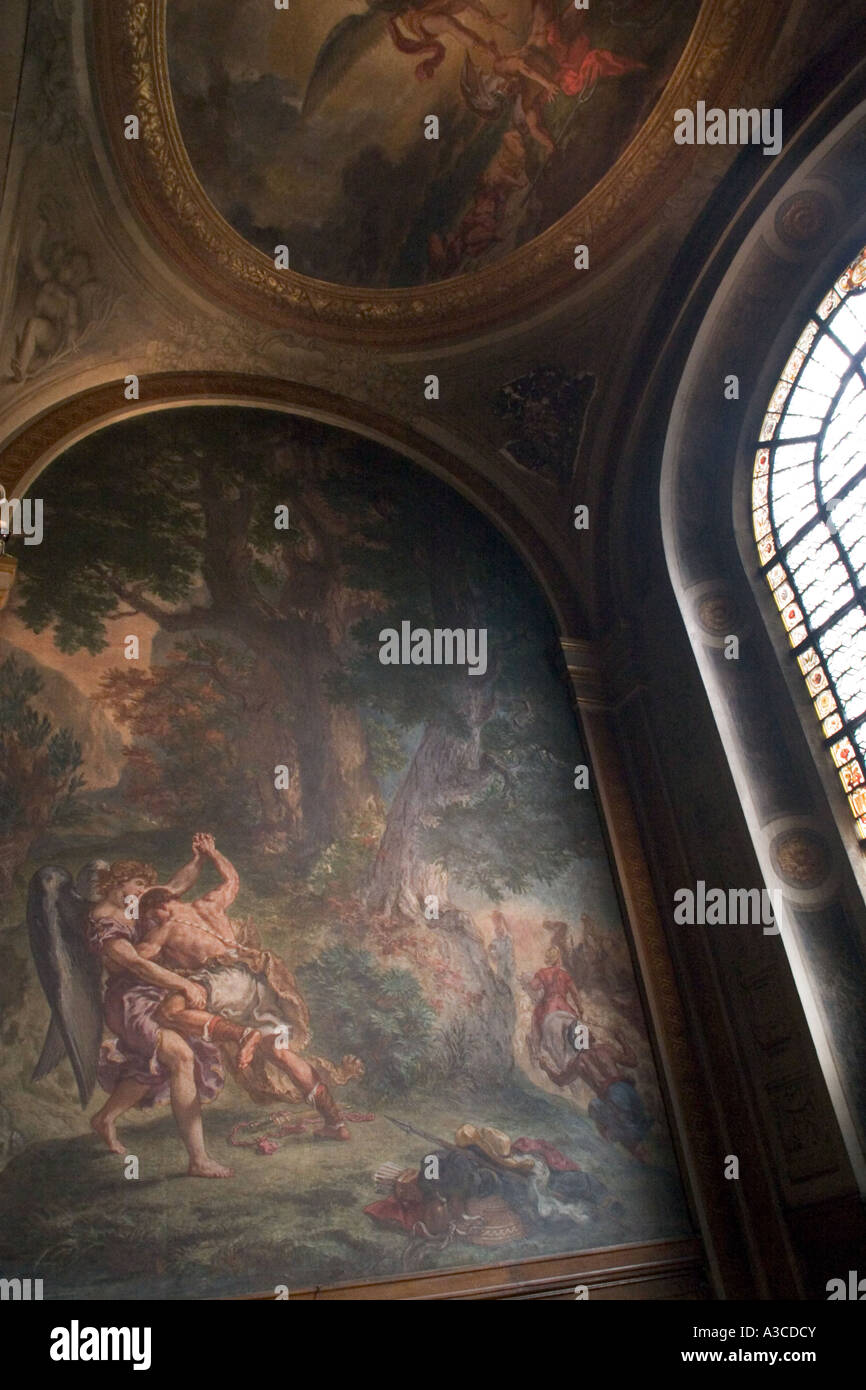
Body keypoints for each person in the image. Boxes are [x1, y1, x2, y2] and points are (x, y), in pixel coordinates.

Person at [136, 835, 360, 1141]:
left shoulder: (165, 928)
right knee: (281, 1054)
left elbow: (135, 961)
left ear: (158, 908)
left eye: (149, 915)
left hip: (224, 983)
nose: (149, 921)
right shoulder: (209, 904)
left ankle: (244, 1034)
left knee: (168, 1012)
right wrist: (213, 853)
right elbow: (232, 878)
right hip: (256, 984)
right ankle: (335, 1123)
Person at [85, 852, 233, 1176]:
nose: (143, 892)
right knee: (180, 1057)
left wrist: (197, 858)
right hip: (128, 1003)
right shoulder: (104, 918)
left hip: (151, 995)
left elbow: (174, 886)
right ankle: (199, 1160)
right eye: (139, 884)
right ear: (119, 881)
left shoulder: (132, 906)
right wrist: (183, 983)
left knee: (148, 1066)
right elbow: (136, 964)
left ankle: (104, 1119)